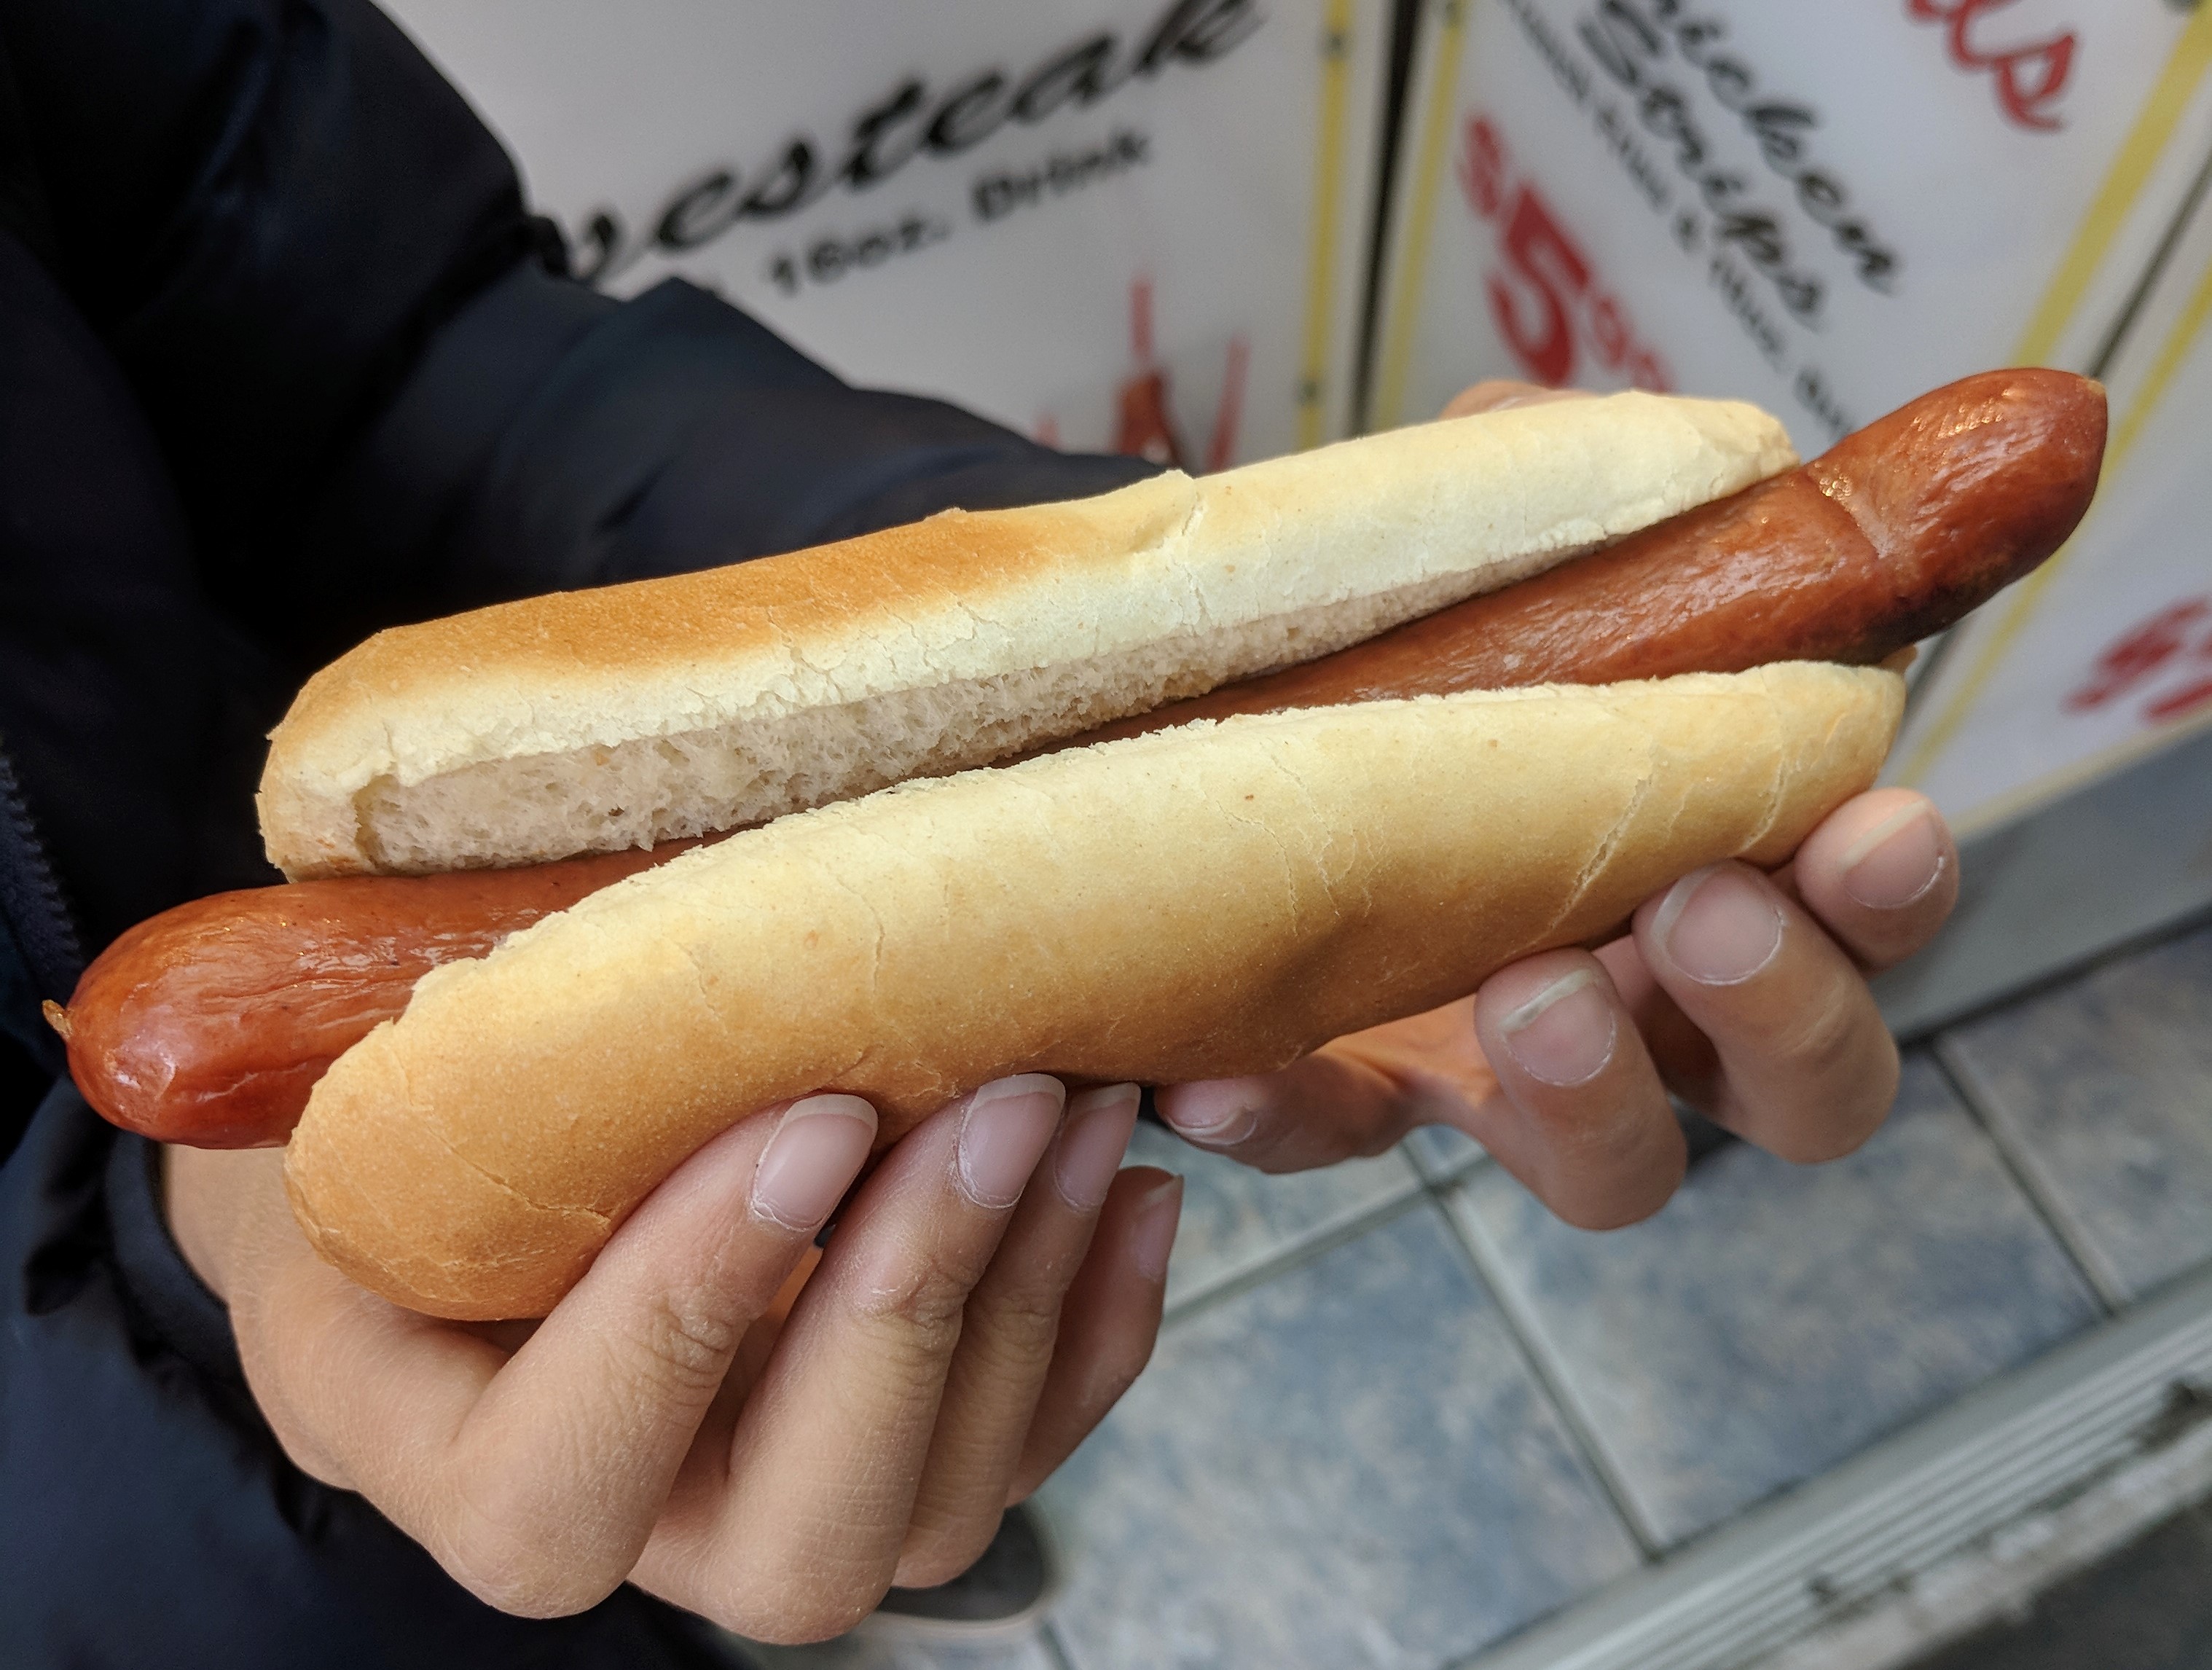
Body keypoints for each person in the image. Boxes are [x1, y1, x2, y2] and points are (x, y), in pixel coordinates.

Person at [0, 1, 1962, 1663]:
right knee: (778, 1495)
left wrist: (1147, 592)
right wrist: (185, 1346)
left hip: (628, 1124)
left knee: (881, 1417)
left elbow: (377, 347)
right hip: (286, 1547)